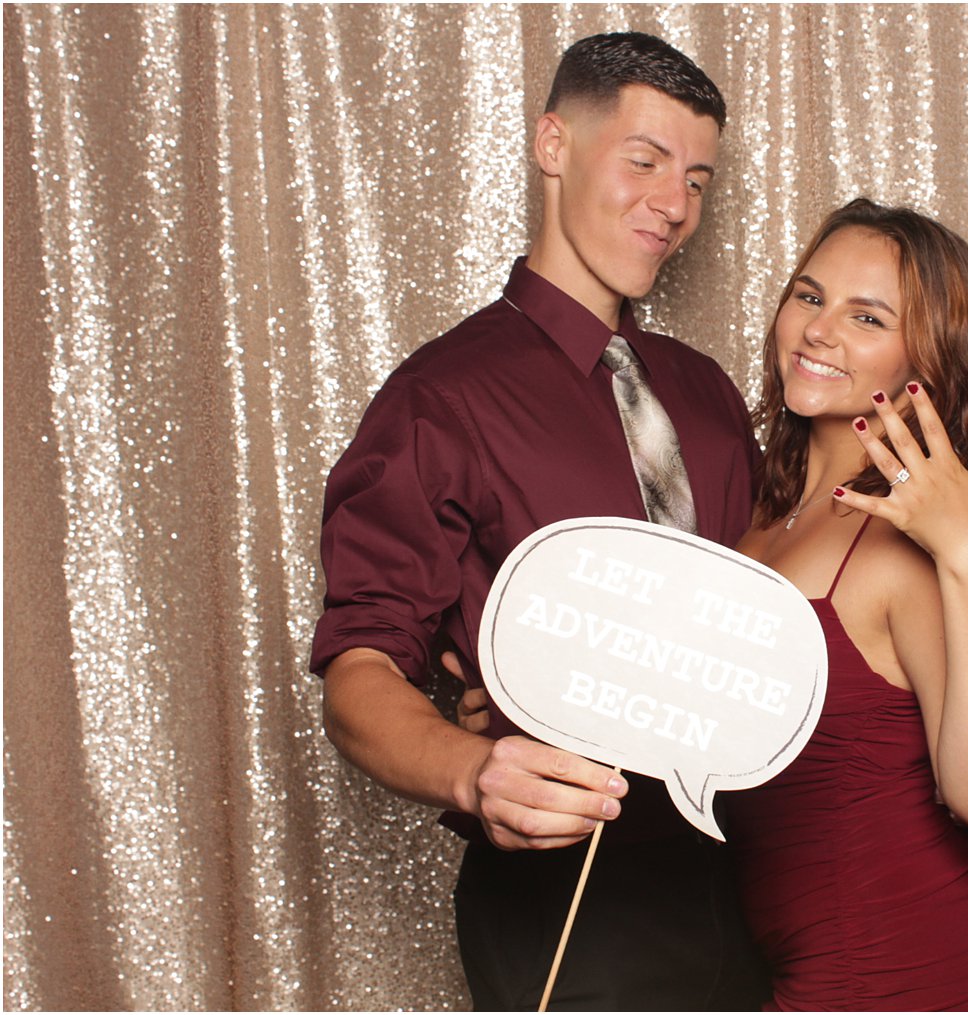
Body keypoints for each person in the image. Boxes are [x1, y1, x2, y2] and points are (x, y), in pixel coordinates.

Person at [310, 32, 770, 1010]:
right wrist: (477, 769)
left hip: (747, 879)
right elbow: (358, 671)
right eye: (643, 162)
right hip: (566, 898)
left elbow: (764, 614)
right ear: (553, 145)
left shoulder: (706, 396)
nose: (674, 205)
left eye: (696, 178)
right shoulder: (439, 400)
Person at [725, 198, 968, 1010]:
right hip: (791, 955)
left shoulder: (904, 551)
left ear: (928, 362)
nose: (817, 329)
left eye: (865, 316)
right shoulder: (759, 512)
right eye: (808, 295)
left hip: (916, 966)